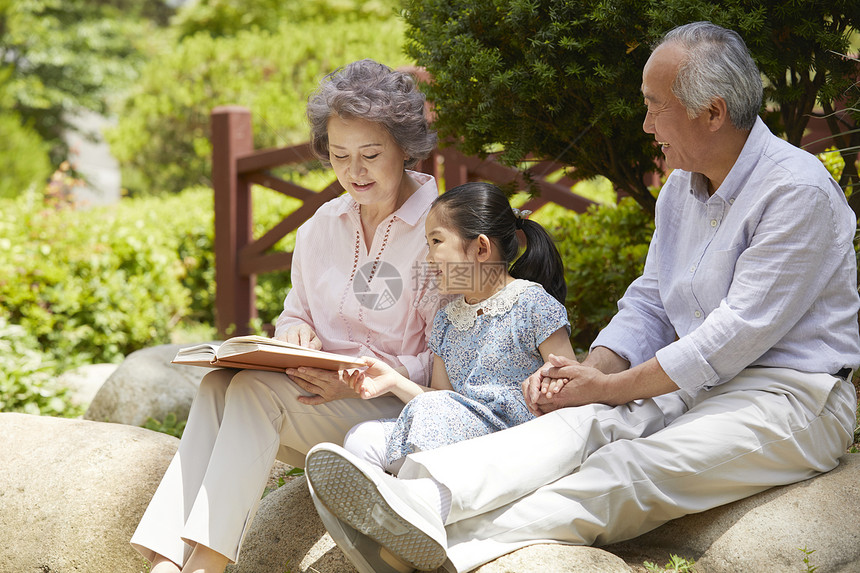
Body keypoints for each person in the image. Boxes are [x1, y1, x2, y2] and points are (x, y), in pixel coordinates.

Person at [303, 22, 860, 573]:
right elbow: (650, 302)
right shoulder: (680, 188)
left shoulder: (796, 191)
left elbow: (733, 335)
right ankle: (419, 497)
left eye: (653, 106)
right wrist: (587, 377)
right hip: (695, 385)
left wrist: (616, 387)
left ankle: (448, 547)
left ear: (711, 112)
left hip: (791, 397)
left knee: (634, 467)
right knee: (578, 423)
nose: (645, 125)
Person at [130, 59, 444, 573]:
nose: (354, 172)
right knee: (217, 385)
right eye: (340, 156)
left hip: (392, 415)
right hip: (311, 402)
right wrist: (294, 331)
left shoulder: (439, 229)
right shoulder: (322, 225)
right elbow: (295, 311)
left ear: (405, 147)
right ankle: (167, 560)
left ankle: (205, 566)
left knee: (252, 393)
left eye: (370, 154)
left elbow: (446, 365)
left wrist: (361, 380)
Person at [340, 181, 576, 475]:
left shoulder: (533, 304)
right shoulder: (447, 321)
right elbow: (442, 399)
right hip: (454, 436)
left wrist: (550, 387)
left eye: (436, 242)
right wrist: (393, 380)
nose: (428, 258)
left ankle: (408, 499)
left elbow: (570, 384)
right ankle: (393, 504)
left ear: (480, 248)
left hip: (512, 442)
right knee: (361, 440)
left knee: (429, 419)